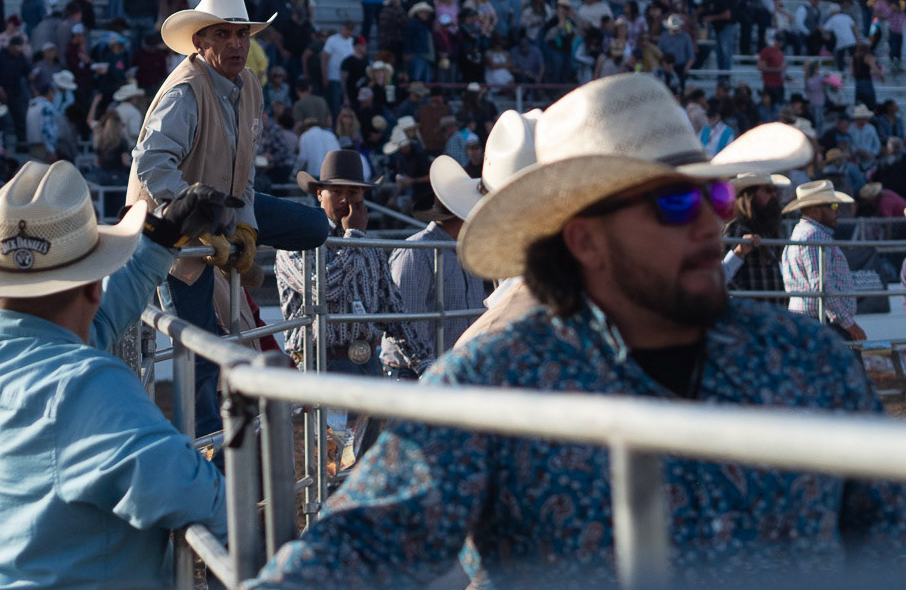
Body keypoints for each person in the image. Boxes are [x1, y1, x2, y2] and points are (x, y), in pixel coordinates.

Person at [248, 74, 906, 590]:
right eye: (675, 203)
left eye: (714, 196)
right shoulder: (494, 386)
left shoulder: (808, 361)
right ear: (585, 239)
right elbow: (357, 546)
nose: (711, 223)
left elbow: (888, 539)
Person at [0, 167, 232, 590]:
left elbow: (69, 334)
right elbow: (199, 497)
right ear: (93, 288)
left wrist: (158, 244)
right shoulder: (88, 388)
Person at [126, 0, 329, 437]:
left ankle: (240, 259)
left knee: (316, 224)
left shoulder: (248, 86)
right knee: (199, 358)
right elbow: (151, 163)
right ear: (201, 43)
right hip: (171, 232)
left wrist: (246, 230)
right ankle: (200, 460)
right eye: (224, 34)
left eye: (242, 33)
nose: (237, 43)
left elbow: (246, 175)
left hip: (226, 207)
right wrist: (201, 220)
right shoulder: (184, 90)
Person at [276, 150, 432, 457]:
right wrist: (355, 236)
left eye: (354, 192)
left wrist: (425, 364)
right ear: (319, 193)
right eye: (338, 192)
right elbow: (324, 289)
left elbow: (393, 313)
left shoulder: (369, 249)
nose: (347, 200)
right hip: (323, 366)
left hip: (367, 364)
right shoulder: (297, 242)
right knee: (336, 462)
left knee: (364, 459)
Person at [381, 155, 489, 379]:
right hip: (415, 374)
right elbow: (407, 324)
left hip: (450, 370)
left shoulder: (465, 252)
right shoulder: (416, 252)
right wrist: (429, 370)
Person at [779, 179, 864, 344]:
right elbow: (822, 286)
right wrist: (849, 324)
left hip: (811, 319)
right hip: (821, 321)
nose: (837, 210)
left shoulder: (800, 232)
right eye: (832, 206)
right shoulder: (814, 236)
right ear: (815, 209)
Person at [722, 172, 789, 302]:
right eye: (768, 190)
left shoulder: (768, 230)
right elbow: (727, 277)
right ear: (751, 195)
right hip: (753, 314)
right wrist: (749, 305)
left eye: (774, 190)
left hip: (772, 312)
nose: (773, 195)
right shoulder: (736, 228)